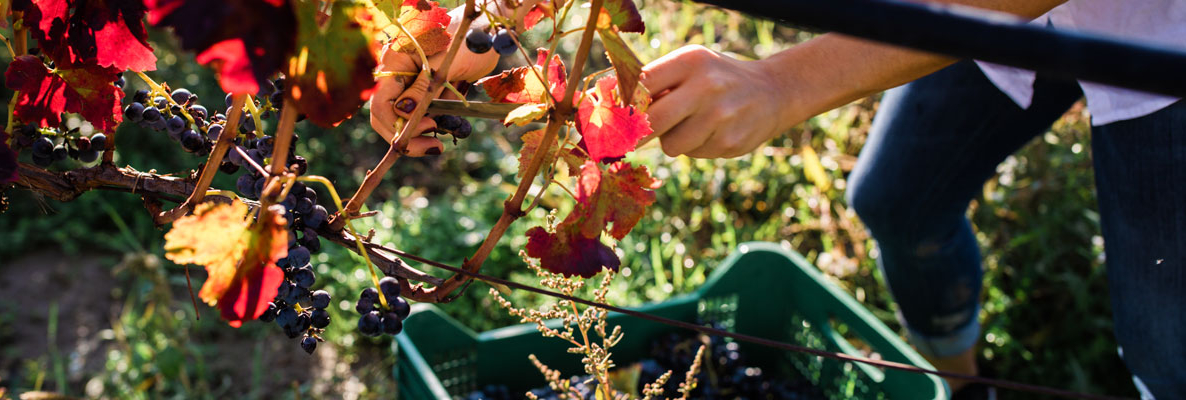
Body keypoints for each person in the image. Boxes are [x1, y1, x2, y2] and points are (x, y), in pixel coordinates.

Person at [370, 0, 1186, 398]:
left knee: (1167, 348)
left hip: (1158, 40)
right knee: (899, 201)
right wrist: (488, 26)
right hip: (975, 15)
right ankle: (960, 387)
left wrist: (786, 81)